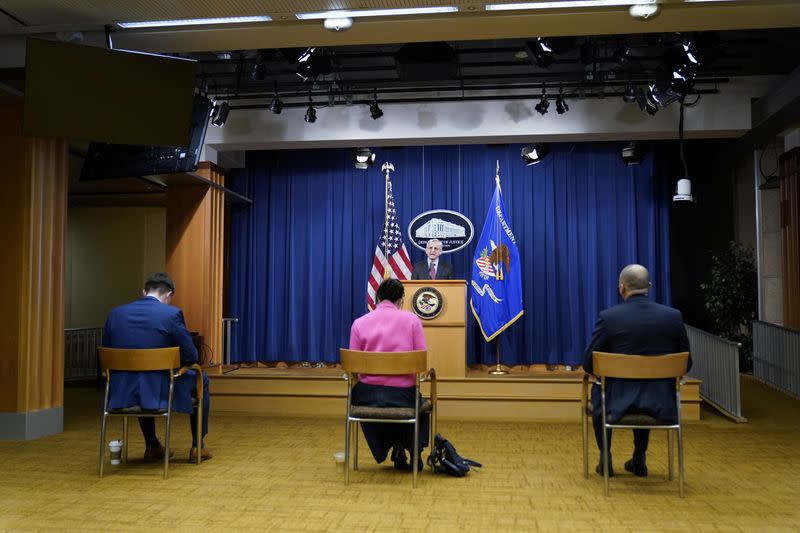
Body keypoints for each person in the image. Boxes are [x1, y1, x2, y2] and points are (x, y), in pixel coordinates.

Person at [583, 264, 691, 477]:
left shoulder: (609, 318)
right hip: (661, 403)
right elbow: (686, 363)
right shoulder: (673, 317)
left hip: (616, 403)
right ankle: (640, 457)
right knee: (647, 387)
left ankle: (606, 456)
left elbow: (589, 363)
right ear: (648, 287)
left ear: (621, 288)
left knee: (598, 390)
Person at [102, 272, 213, 462]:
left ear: (144, 291)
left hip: (122, 389)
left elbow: (106, 351)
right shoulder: (171, 314)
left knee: (140, 379)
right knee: (201, 378)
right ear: (169, 294)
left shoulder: (115, 314)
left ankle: (152, 445)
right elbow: (191, 356)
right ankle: (197, 446)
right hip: (162, 386)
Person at [349, 278, 428, 471]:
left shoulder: (359, 323)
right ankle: (412, 450)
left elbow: (353, 367)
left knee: (380, 400)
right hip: (402, 394)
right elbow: (421, 365)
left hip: (366, 396)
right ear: (401, 299)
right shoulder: (412, 320)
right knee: (419, 405)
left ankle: (393, 446)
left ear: (377, 298)